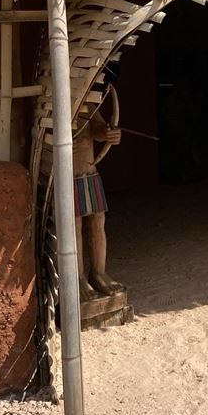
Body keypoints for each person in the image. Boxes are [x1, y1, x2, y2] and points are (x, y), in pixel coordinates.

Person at [72, 109, 125, 301]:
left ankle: (98, 272)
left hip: (89, 171)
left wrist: (108, 133)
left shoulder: (86, 101)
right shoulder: (51, 101)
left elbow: (97, 127)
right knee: (74, 225)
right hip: (69, 176)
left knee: (97, 221)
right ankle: (77, 277)